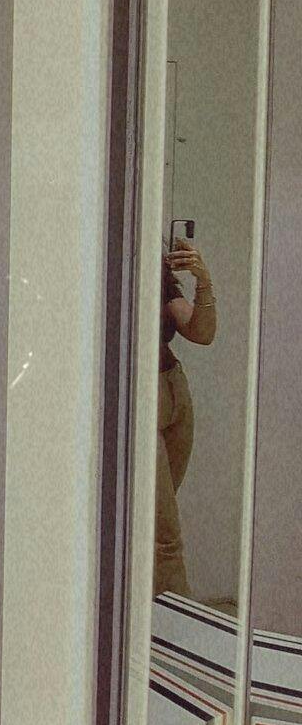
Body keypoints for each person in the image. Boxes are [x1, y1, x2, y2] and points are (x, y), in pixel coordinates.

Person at [157, 236, 217, 598]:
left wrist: (203, 280)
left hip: (175, 391)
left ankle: (149, 610)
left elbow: (201, 332)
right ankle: (171, 618)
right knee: (165, 534)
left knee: (156, 520)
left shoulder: (157, 277)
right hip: (141, 394)